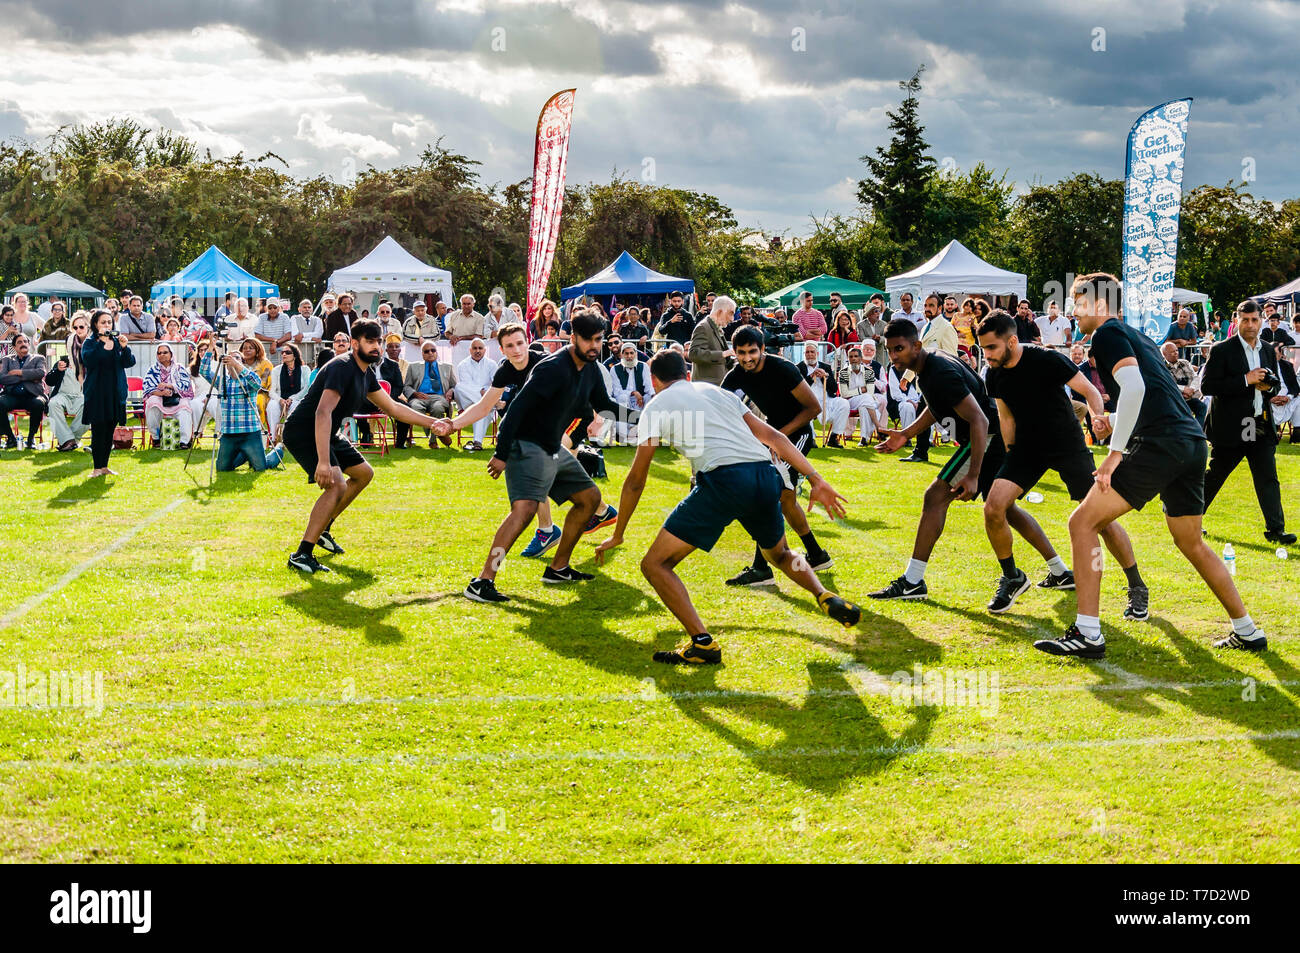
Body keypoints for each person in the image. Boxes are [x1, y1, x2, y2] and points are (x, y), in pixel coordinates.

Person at [1033, 274, 1266, 658]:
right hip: (1190, 443)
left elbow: (1137, 389)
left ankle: (1088, 633)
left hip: (1162, 444)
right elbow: (1147, 392)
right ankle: (1247, 630)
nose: (1074, 312)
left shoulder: (1106, 335)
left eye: (1078, 303)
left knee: (1082, 522)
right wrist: (1113, 417)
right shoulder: (1135, 335)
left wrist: (1114, 454)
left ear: (1100, 305)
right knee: (1191, 542)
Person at [592, 349, 862, 664]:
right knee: (780, 554)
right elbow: (773, 436)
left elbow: (637, 479)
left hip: (724, 480)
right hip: (765, 475)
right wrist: (815, 478)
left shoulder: (656, 405)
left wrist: (619, 532)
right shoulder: (716, 392)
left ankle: (703, 643)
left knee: (655, 565)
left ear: (654, 379)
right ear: (687, 373)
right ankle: (822, 593)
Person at [976, 310, 1146, 615]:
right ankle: (1012, 576)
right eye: (983, 348)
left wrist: (1097, 418)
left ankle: (1136, 585)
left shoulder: (1046, 359)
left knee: (1100, 519)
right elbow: (1005, 416)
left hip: (1066, 443)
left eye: (991, 348)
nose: (986, 355)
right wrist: (1012, 453)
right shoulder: (994, 373)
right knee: (994, 506)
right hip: (1027, 448)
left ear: (1012, 341)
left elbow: (1090, 391)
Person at [461, 310, 618, 603]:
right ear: (573, 338)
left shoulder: (592, 368)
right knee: (524, 512)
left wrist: (648, 416)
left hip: (552, 447)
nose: (595, 346)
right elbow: (516, 409)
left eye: (599, 339)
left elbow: (605, 405)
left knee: (589, 500)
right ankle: (483, 580)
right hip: (524, 443)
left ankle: (558, 568)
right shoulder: (553, 368)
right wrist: (501, 453)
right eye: (589, 340)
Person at [280, 320, 443, 573]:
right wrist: (324, 462)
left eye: (379, 341)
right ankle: (302, 554)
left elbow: (394, 408)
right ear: (355, 344)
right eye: (370, 341)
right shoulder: (342, 367)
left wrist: (435, 423)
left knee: (363, 473)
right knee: (337, 485)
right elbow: (323, 412)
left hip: (326, 431)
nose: (377, 346)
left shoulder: (365, 373)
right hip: (304, 431)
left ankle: (324, 529)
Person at [869, 318, 1009, 601]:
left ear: (916, 345)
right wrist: (905, 434)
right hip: (993, 435)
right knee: (1007, 510)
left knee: (934, 497)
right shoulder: (929, 365)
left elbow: (979, 420)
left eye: (899, 349)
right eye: (890, 349)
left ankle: (912, 581)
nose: (894, 356)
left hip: (989, 437)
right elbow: (938, 407)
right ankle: (1059, 570)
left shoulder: (938, 371)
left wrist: (973, 475)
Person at [434, 323, 565, 558]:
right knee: (537, 478)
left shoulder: (545, 363)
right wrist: (453, 424)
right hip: (537, 431)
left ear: (527, 342)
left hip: (564, 423)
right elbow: (484, 406)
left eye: (519, 343)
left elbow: (575, 389)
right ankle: (550, 529)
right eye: (509, 346)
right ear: (502, 350)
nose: (516, 350)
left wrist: (592, 417)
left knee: (560, 484)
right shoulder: (505, 370)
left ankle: (592, 513)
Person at [720, 325, 834, 586]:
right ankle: (816, 555)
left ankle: (762, 569)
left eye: (752, 351)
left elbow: (813, 408)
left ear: (762, 349)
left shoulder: (782, 368)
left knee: (773, 494)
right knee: (785, 498)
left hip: (798, 433)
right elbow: (720, 404)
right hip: (774, 435)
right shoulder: (737, 373)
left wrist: (778, 437)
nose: (747, 358)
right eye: (741, 353)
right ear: (734, 352)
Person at [1200, 299, 1296, 546]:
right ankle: (1188, 517)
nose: (1251, 325)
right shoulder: (1222, 349)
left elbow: (1271, 383)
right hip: (1232, 424)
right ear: (1237, 321)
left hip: (1259, 422)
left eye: (1255, 320)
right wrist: (1245, 379)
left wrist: (1268, 385)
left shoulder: (1266, 348)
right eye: (1245, 320)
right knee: (1217, 474)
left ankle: (1276, 530)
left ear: (1261, 320)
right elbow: (1208, 386)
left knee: (1267, 476)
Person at [199, 344, 283, 472]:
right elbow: (203, 371)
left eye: (237, 358)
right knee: (222, 469)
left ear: (243, 363)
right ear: (226, 365)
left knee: (261, 468)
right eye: (230, 359)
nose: (233, 360)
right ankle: (245, 455)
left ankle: (277, 451)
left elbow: (257, 384)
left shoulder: (248, 378)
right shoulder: (222, 381)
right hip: (229, 433)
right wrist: (211, 346)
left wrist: (237, 365)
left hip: (250, 433)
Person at [80, 309, 136, 477]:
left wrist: (125, 348)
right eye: (103, 322)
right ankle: (96, 468)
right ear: (95, 325)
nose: (107, 325)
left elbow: (129, 362)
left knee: (109, 431)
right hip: (97, 393)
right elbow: (89, 360)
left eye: (109, 322)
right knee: (98, 431)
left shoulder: (117, 341)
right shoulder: (90, 343)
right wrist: (102, 343)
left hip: (115, 392)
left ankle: (104, 466)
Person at [46, 313, 92, 450]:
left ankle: (69, 440)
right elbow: (49, 380)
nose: (78, 329)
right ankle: (69, 440)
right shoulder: (64, 360)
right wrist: (58, 370)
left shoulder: (92, 354)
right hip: (63, 395)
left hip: (82, 395)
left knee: (90, 406)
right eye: (75, 327)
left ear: (88, 326)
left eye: (81, 326)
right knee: (53, 403)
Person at [142, 342, 195, 449]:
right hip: (159, 397)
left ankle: (184, 441)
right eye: (159, 353)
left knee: (185, 408)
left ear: (171, 354)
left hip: (177, 397)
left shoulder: (179, 368)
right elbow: (148, 388)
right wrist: (162, 393)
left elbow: (186, 385)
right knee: (152, 403)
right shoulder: (153, 370)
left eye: (165, 352)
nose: (162, 355)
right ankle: (156, 438)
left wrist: (169, 386)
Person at [404, 340, 457, 446]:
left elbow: (455, 386)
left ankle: (433, 440)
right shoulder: (413, 367)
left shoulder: (447, 367)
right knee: (415, 407)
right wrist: (414, 393)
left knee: (438, 408)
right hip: (419, 397)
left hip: (439, 397)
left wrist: (451, 390)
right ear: (422, 354)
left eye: (433, 350)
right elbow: (406, 386)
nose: (430, 353)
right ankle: (440, 435)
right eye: (427, 351)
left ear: (437, 352)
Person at [797, 341, 849, 448]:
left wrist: (826, 376)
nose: (810, 354)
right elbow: (798, 388)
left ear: (817, 354)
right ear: (804, 354)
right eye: (807, 352)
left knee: (844, 403)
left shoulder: (825, 366)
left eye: (812, 352)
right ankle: (811, 439)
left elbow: (834, 389)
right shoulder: (799, 368)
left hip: (826, 399)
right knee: (803, 409)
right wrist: (811, 377)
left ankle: (834, 437)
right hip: (808, 400)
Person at [0, 334, 48, 449]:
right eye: (20, 342)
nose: (23, 344)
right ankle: (10, 438)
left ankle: (31, 439)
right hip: (12, 395)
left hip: (32, 395)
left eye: (25, 341)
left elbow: (40, 373)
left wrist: (18, 372)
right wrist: (30, 376)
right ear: (14, 347)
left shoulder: (38, 358)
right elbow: (3, 378)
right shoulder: (7, 359)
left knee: (38, 403)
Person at [837, 342, 887, 445]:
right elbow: (844, 394)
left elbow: (870, 391)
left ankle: (864, 438)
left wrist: (862, 390)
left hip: (866, 401)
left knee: (864, 407)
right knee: (867, 399)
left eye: (856, 356)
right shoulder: (844, 372)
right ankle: (878, 427)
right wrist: (860, 390)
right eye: (851, 357)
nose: (853, 359)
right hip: (849, 401)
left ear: (860, 359)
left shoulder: (869, 372)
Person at [454, 338, 498, 451]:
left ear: (485, 350)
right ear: (470, 350)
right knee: (459, 387)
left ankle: (477, 442)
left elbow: (496, 385)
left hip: (485, 402)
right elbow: (466, 387)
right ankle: (491, 403)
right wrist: (482, 391)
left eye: (480, 348)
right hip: (468, 402)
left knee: (479, 407)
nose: (477, 351)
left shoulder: (492, 364)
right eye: (475, 348)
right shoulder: (463, 365)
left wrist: (485, 392)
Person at [607, 341, 649, 442]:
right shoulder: (615, 369)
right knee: (622, 397)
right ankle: (624, 434)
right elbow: (616, 392)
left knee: (650, 397)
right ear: (622, 355)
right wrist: (633, 393)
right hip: (624, 403)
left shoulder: (643, 366)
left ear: (636, 354)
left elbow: (649, 388)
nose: (629, 356)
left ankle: (647, 431)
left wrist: (650, 397)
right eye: (626, 353)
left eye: (631, 353)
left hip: (640, 402)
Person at [268, 343, 310, 446]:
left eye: (287, 352)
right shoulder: (276, 370)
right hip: (280, 398)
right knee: (272, 406)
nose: (284, 354)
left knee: (295, 406)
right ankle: (274, 438)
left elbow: (306, 389)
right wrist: (280, 400)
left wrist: (292, 398)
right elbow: (271, 391)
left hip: (297, 399)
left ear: (295, 355)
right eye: (282, 352)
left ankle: (292, 438)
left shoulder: (305, 369)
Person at [376, 334, 413, 448]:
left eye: (378, 350)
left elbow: (398, 386)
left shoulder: (392, 365)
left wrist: (386, 401)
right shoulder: (366, 365)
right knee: (358, 405)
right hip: (369, 399)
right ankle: (366, 436)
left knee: (405, 408)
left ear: (382, 351)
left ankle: (400, 442)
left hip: (390, 398)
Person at [688, 295, 734, 385]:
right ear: (720, 312)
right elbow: (693, 354)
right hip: (706, 387)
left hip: (715, 386)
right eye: (731, 313)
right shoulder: (703, 327)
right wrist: (724, 354)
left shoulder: (715, 327)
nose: (732, 319)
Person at [1161, 341, 1206, 427]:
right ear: (1164, 354)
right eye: (1172, 351)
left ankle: (1198, 430)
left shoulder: (1185, 362)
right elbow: (1167, 383)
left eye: (1177, 350)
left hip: (1190, 396)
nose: (1176, 353)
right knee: (1185, 412)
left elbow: (1195, 378)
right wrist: (1184, 389)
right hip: (1174, 399)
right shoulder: (1162, 366)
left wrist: (1191, 389)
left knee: (1202, 407)